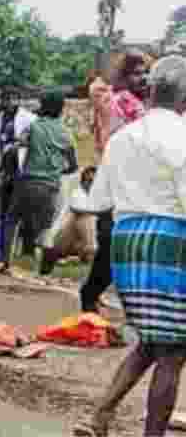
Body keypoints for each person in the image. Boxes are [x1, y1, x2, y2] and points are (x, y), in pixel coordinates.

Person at [73, 56, 186, 437]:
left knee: (152, 342)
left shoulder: (123, 138)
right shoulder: (183, 137)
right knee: (174, 351)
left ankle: (98, 418)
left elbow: (98, 200)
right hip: (169, 244)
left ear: (151, 91)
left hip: (125, 245)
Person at [78, 50, 154, 312]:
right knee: (112, 247)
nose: (142, 78)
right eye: (136, 73)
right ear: (124, 76)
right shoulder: (119, 103)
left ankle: (97, 294)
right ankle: (89, 295)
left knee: (126, 248)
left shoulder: (144, 105)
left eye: (146, 73)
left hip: (139, 187)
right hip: (118, 185)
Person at [0, 89, 78, 275]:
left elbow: (14, 148)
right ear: (61, 108)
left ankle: (6, 263)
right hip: (50, 186)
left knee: (12, 219)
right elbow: (73, 165)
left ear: (42, 106)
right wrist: (57, 171)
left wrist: (6, 165)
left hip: (28, 182)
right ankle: (45, 265)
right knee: (46, 227)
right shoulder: (66, 133)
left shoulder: (34, 127)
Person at [0, 90, 36, 227]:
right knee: (4, 206)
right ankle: (4, 233)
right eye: (7, 99)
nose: (11, 102)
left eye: (14, 99)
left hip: (21, 169)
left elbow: (34, 139)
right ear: (2, 101)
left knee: (22, 206)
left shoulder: (29, 118)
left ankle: (19, 232)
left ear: (19, 100)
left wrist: (18, 144)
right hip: (4, 170)